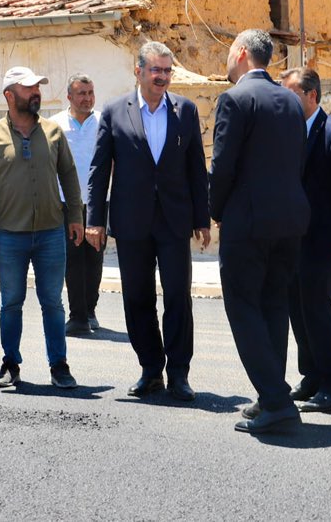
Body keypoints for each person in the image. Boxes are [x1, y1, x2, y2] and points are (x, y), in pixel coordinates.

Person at [86, 41, 210, 402]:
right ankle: (150, 369)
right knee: (137, 298)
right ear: (138, 71)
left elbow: (195, 169)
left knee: (177, 298)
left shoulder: (185, 110)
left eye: (167, 71)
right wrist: (95, 220)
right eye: (156, 70)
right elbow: (98, 170)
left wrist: (201, 217)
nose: (162, 77)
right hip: (131, 221)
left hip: (173, 222)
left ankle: (180, 374)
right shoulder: (113, 112)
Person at [209, 29, 310, 434]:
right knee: (273, 306)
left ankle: (276, 401)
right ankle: (271, 394)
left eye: (229, 51)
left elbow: (223, 166)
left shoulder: (234, 98)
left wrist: (216, 211)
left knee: (243, 307)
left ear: (243, 53)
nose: (227, 59)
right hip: (289, 220)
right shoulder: (289, 97)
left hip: (248, 221)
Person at [0, 66, 83, 389]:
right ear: (10, 95)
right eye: (29, 88)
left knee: (53, 301)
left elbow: (69, 176)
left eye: (37, 87)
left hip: (51, 232)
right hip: (10, 235)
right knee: (11, 302)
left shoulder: (52, 132)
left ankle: (59, 365)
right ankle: (10, 364)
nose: (36, 93)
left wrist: (75, 216)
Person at [280, 67, 331, 412]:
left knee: (317, 312)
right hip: (292, 241)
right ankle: (311, 375)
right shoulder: (287, 133)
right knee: (297, 311)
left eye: (292, 95)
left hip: (322, 243)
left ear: (311, 95)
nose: (286, 101)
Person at [49, 74, 105, 336]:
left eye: (90, 92)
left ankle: (90, 311)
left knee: (94, 259)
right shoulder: (55, 125)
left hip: (97, 203)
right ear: (69, 97)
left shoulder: (105, 121)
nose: (87, 98)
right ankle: (77, 315)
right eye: (81, 93)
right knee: (72, 260)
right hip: (66, 204)